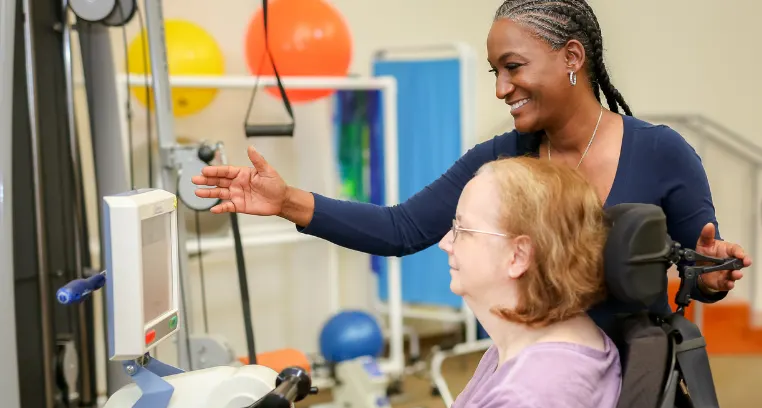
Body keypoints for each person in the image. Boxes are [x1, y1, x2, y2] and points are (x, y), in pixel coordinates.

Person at [192, 0, 751, 333]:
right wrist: (285, 200)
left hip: (630, 388)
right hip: (531, 378)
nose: (503, 88)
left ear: (573, 58)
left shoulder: (662, 151)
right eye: (495, 72)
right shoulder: (501, 157)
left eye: (513, 67)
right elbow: (402, 229)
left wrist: (711, 276)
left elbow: (698, 270)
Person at [403, 156, 621, 408]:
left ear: (517, 256)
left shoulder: (529, 394)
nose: (445, 243)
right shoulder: (518, 343)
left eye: (462, 230)